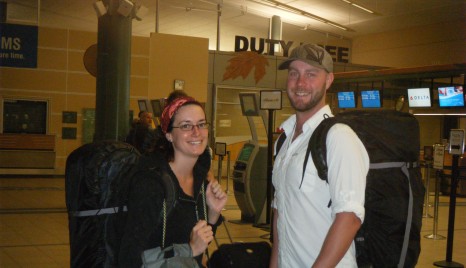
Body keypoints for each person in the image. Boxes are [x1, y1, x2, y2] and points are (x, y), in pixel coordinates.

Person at [269, 44, 369, 267]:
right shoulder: (284, 140)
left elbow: (349, 217)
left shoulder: (339, 137)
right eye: (294, 73)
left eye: (311, 74)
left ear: (329, 80)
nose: (300, 83)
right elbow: (280, 213)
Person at [119, 96, 227, 268]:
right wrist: (189, 249)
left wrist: (213, 215)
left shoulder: (201, 184)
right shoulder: (151, 184)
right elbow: (128, 257)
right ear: (169, 134)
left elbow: (199, 248)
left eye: (201, 124)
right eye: (186, 126)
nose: (196, 132)